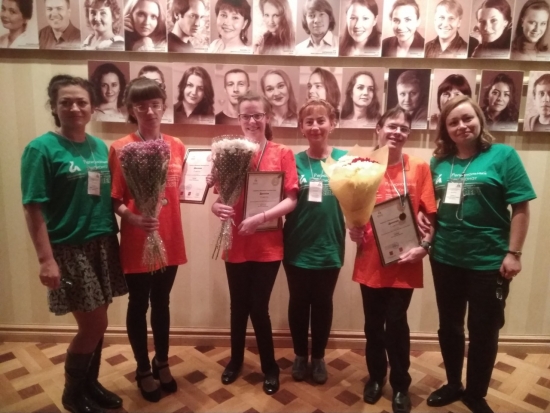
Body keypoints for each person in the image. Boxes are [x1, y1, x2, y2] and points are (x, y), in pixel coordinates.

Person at [21, 75, 127, 413]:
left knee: (99, 320)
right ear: (54, 107)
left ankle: (90, 386)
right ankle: (72, 394)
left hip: (102, 242)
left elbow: (107, 195)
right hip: (69, 248)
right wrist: (46, 260)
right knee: (94, 324)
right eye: (66, 102)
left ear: (93, 107)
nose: (75, 107)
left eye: (82, 101)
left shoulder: (98, 147)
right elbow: (33, 207)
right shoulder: (41, 149)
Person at [426, 95, 535, 413]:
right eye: (453, 122)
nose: (462, 126)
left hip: (489, 261)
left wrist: (514, 253)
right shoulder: (439, 162)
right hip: (445, 258)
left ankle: (475, 393)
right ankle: (453, 384)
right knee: (449, 326)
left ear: (479, 120)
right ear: (445, 129)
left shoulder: (503, 155)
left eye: (467, 118)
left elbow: (521, 207)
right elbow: (428, 207)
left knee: (483, 330)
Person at [210, 92, 299, 396]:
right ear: (239, 119)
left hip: (268, 244)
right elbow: (220, 198)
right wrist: (216, 208)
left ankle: (270, 367)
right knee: (238, 306)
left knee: (259, 308)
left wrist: (261, 218)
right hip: (235, 240)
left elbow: (291, 199)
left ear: (267, 117)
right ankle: (235, 360)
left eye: (257, 115)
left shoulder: (282, 152)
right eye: (246, 116)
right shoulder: (229, 153)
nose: (252, 121)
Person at [349, 106, 436, 413]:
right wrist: (352, 229)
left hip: (405, 260)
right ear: (379, 128)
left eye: (404, 128)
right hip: (370, 259)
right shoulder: (361, 166)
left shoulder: (419, 167)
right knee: (373, 324)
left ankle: (400, 384)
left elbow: (430, 214)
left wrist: (425, 246)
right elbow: (353, 210)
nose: (397, 132)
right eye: (392, 126)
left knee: (397, 324)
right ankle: (375, 377)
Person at [108, 77, 187, 403]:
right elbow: (114, 200)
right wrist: (134, 218)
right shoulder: (121, 147)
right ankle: (142, 368)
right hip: (138, 239)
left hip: (170, 236)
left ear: (163, 106)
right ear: (131, 109)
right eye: (141, 106)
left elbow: (181, 189)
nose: (150, 111)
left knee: (162, 302)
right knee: (139, 303)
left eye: (155, 104)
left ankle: (162, 361)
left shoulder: (177, 145)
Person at [283, 99, 345, 385]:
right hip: (297, 244)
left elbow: (361, 200)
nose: (316, 126)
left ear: (332, 123)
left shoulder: (345, 161)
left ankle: (318, 357)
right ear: (301, 127)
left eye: (321, 120)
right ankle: (299, 355)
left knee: (323, 303)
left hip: (330, 243)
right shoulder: (292, 161)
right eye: (309, 121)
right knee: (298, 302)